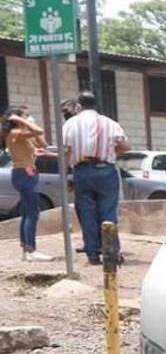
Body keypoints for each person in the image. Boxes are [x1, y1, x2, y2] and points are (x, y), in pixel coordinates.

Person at [61, 91, 131, 265]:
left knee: (87, 213)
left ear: (79, 106)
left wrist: (69, 171)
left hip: (82, 170)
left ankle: (92, 254)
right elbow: (125, 146)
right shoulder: (109, 122)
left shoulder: (70, 123)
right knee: (108, 212)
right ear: (96, 105)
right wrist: (111, 152)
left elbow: (66, 150)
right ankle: (111, 252)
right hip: (105, 169)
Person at [2, 106, 53, 262]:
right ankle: (31, 249)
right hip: (23, 173)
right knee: (32, 212)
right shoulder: (15, 133)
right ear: (17, 118)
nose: (29, 118)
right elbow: (39, 130)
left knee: (27, 212)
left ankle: (26, 248)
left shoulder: (24, 135)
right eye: (25, 115)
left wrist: (28, 126)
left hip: (28, 172)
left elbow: (43, 143)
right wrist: (21, 120)